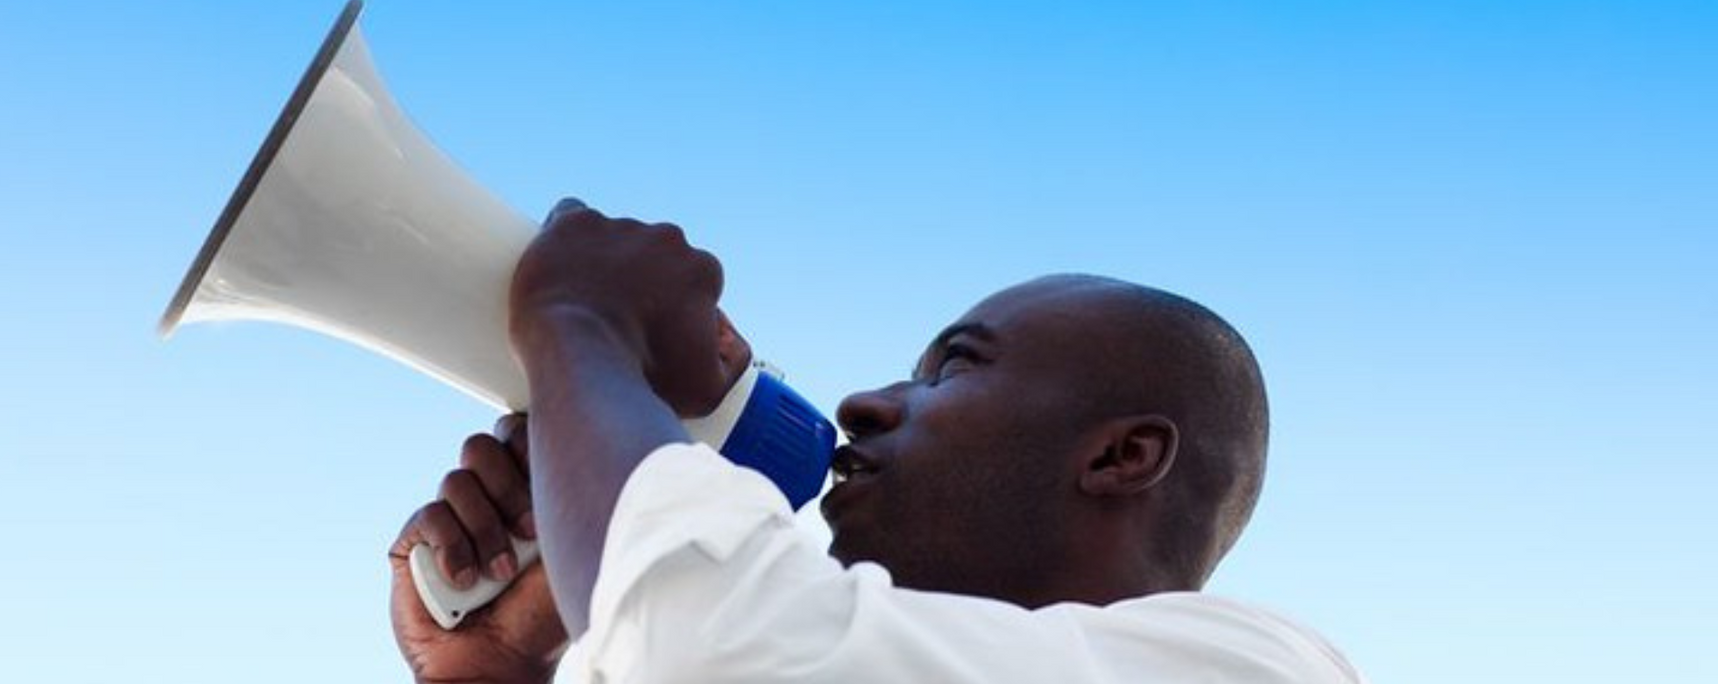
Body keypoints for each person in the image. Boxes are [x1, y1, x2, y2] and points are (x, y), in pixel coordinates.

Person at [386, 199, 1364, 683]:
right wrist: (502, 674)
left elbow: (706, 644)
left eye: (952, 371)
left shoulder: (1262, 670)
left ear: (1122, 457)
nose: (864, 402)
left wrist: (578, 320)